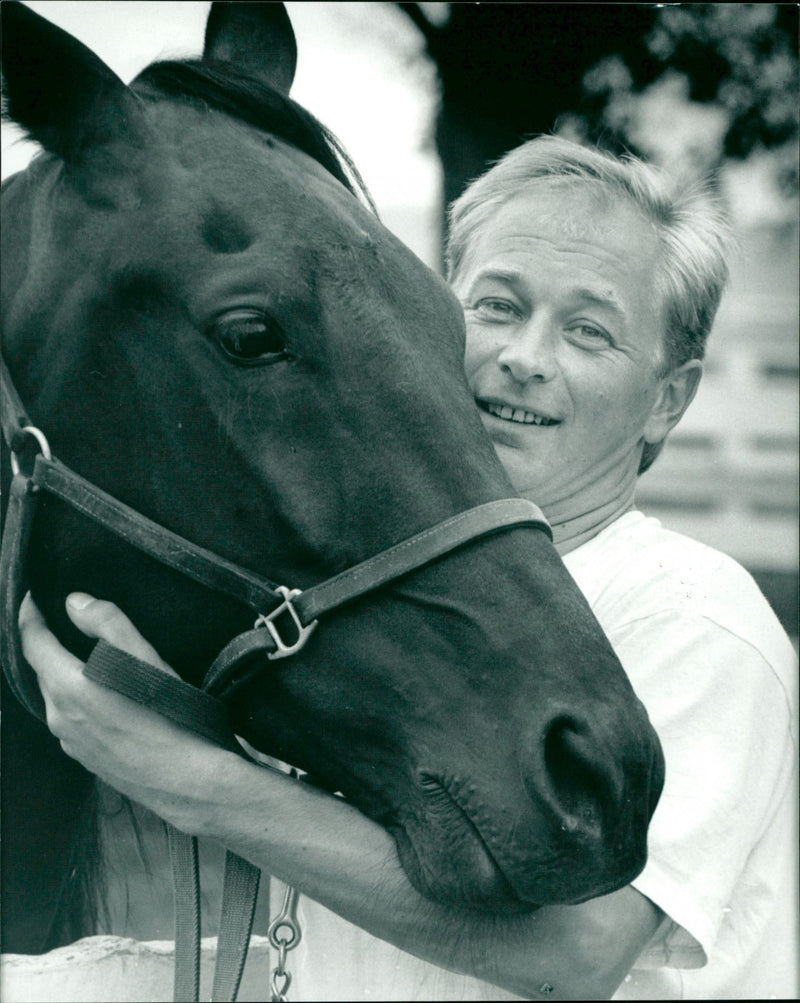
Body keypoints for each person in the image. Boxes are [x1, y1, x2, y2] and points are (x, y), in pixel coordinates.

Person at [18, 136, 798, 1000]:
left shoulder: (693, 616)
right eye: (498, 307)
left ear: (669, 398)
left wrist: (195, 785)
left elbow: (578, 951)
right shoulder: (397, 610)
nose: (526, 357)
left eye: (588, 329)